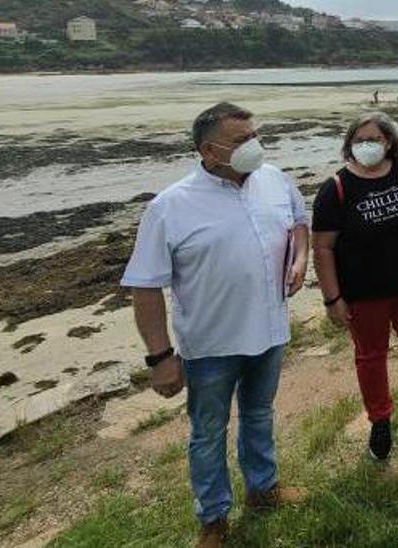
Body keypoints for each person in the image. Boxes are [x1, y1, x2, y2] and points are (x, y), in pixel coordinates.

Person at [121, 102, 308, 548]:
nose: (254, 146)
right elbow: (145, 287)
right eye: (241, 140)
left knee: (260, 413)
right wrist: (160, 357)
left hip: (269, 331)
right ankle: (213, 518)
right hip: (210, 345)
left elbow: (299, 223)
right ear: (209, 150)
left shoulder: (275, 181)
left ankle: (263, 488)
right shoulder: (171, 207)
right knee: (208, 432)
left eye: (254, 135)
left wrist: (300, 259)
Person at [311, 113, 398, 460]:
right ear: (349, 145)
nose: (366, 146)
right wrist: (332, 298)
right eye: (359, 140)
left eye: (374, 139)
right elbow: (322, 248)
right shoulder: (336, 189)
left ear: (389, 141)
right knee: (371, 357)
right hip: (364, 293)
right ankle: (380, 421)